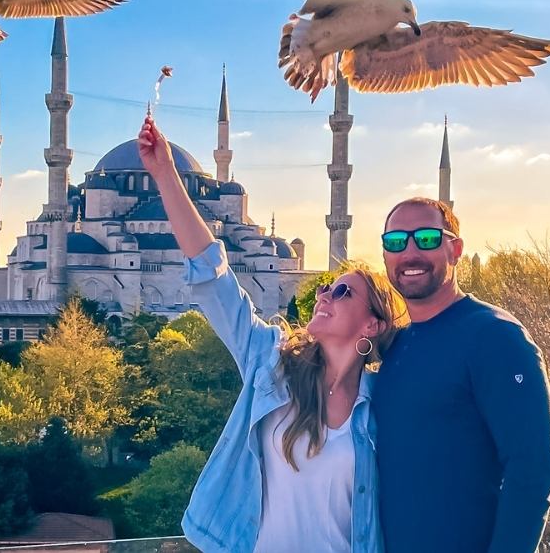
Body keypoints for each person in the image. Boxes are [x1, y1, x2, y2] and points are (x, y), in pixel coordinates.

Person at [137, 116, 407, 553]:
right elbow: (214, 276)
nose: (323, 294)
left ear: (371, 324)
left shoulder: (381, 407)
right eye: (324, 286)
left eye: (342, 291)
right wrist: (166, 173)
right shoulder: (271, 364)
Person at [372, 197, 550, 553]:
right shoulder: (397, 345)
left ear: (455, 249)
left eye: (426, 238)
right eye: (396, 242)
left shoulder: (494, 337)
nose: (410, 252)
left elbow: (533, 471)